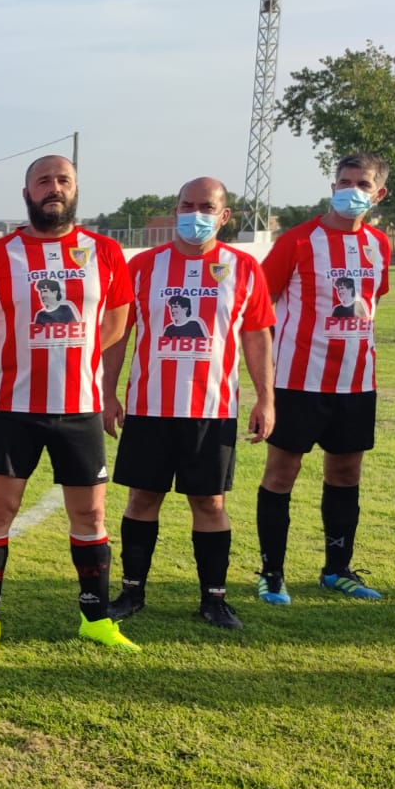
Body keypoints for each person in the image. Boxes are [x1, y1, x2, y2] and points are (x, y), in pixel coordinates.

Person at [0, 154, 135, 651]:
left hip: (80, 407)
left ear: (75, 190)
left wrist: (78, 361)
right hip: (14, 408)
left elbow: (119, 319)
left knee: (91, 516)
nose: (53, 188)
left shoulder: (103, 251)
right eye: (44, 181)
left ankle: (96, 618)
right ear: (27, 193)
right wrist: (5, 363)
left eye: (63, 180)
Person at [99, 178, 275, 629]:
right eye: (186, 205)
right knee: (142, 499)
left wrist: (266, 398)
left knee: (210, 504)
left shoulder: (243, 268)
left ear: (224, 216)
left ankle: (213, 599)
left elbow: (256, 336)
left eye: (206, 206)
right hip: (149, 408)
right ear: (175, 209)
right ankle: (131, 592)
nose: (194, 214)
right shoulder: (143, 267)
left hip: (212, 411)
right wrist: (109, 392)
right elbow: (119, 334)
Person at [255, 154, 395, 603]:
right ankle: (271, 573)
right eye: (344, 181)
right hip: (298, 381)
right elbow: (261, 309)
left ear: (379, 194)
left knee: (346, 472)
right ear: (332, 185)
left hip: (356, 382)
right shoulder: (297, 242)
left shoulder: (379, 244)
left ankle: (337, 570)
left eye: (362, 183)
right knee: (281, 474)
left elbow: (373, 304)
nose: (351, 189)